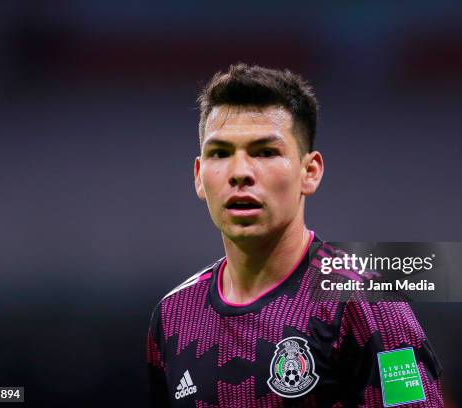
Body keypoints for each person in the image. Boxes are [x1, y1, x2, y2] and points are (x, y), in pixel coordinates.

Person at [147, 64, 443, 407]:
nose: (240, 172)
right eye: (221, 153)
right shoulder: (173, 316)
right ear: (199, 176)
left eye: (265, 152)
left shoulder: (365, 300)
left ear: (310, 172)